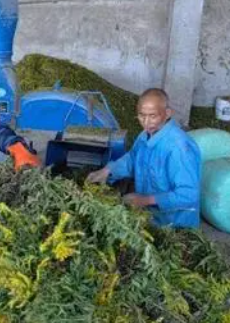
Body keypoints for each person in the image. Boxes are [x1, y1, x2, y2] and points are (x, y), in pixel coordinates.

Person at [86, 88, 201, 228]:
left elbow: (188, 194)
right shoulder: (144, 136)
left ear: (167, 114)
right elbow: (133, 159)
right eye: (141, 116)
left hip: (175, 224)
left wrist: (146, 200)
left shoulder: (179, 148)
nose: (146, 122)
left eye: (153, 116)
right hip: (150, 217)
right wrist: (108, 170)